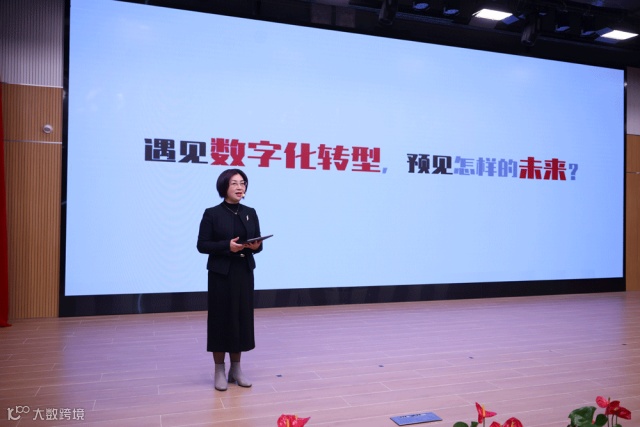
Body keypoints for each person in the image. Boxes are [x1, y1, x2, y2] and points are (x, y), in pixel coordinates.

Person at [197, 168, 264, 391]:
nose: (239, 187)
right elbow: (202, 245)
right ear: (224, 186)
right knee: (221, 320)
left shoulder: (250, 212)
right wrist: (227, 246)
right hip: (221, 274)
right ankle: (219, 370)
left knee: (240, 319)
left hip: (244, 272)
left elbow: (257, 244)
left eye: (242, 183)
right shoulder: (212, 213)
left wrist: (255, 246)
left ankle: (236, 369)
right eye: (234, 183)